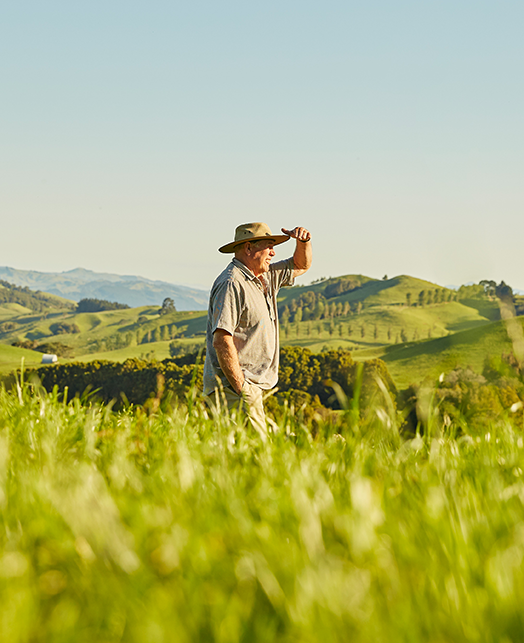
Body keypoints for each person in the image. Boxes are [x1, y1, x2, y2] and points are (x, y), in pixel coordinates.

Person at [203, 222, 312, 438]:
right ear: (248, 248)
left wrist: (303, 242)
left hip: (246, 388)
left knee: (242, 458)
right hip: (233, 389)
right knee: (256, 456)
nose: (273, 252)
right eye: (268, 246)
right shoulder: (232, 283)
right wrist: (241, 387)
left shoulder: (265, 276)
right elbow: (222, 340)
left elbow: (301, 265)